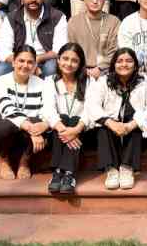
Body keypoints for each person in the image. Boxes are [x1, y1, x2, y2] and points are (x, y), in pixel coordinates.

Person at [86, 48, 147, 190]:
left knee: (138, 123)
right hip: (110, 134)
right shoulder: (102, 81)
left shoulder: (145, 82)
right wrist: (111, 123)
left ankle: (127, 168)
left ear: (136, 65)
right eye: (119, 61)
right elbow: (92, 106)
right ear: (113, 64)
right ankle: (111, 170)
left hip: (136, 135)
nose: (124, 64)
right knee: (102, 128)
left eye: (129, 61)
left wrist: (130, 125)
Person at [42, 43, 95, 194]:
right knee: (64, 117)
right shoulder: (50, 81)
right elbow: (48, 110)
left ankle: (63, 173)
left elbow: (90, 110)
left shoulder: (89, 82)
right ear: (58, 60)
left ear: (80, 64)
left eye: (74, 60)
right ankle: (64, 174)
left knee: (74, 119)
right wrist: (65, 131)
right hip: (58, 133)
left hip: (84, 132)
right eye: (65, 58)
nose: (69, 64)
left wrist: (76, 129)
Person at [0, 45, 49, 180]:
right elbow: (6, 108)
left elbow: (47, 110)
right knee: (5, 125)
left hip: (27, 134)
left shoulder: (42, 84)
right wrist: (33, 130)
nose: (25, 65)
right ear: (13, 62)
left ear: (35, 65)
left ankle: (25, 160)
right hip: (4, 134)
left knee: (41, 121)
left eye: (30, 62)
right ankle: (3, 158)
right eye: (21, 61)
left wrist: (39, 127)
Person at [0, 0, 68, 78]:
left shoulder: (57, 16)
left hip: (45, 61)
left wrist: (37, 59)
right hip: (18, 61)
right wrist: (24, 62)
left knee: (52, 67)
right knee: (0, 70)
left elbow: (60, 49)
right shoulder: (12, 18)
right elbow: (2, 51)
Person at [67, 0, 120, 80]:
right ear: (84, 0)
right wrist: (83, 70)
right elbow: (71, 50)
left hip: (107, 70)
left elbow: (115, 50)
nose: (95, 1)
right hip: (80, 70)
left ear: (104, 0)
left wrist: (100, 68)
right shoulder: (74, 22)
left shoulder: (114, 21)